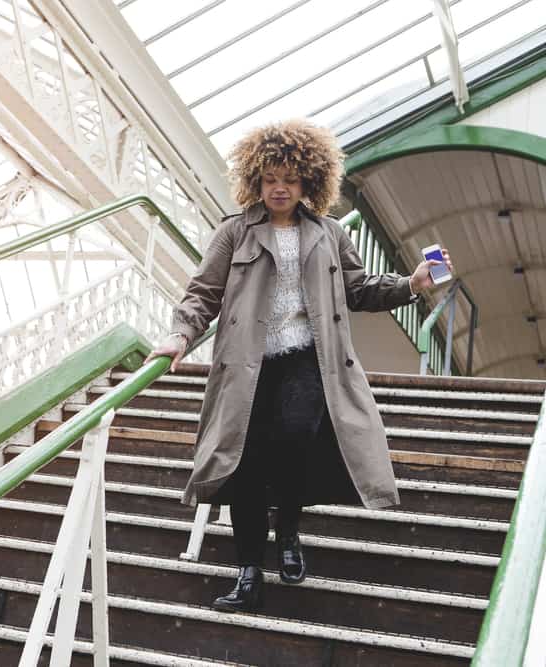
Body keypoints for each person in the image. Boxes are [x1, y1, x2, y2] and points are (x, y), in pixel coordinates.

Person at [145, 119, 452, 612]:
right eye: (269, 178)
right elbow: (202, 292)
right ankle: (248, 572)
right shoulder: (234, 233)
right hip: (246, 367)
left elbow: (358, 289)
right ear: (255, 181)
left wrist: (411, 283)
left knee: (292, 440)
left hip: (308, 361)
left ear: (309, 180)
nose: (279, 187)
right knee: (242, 465)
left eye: (289, 178)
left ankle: (287, 531)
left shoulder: (329, 234)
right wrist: (181, 333)